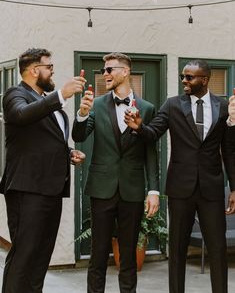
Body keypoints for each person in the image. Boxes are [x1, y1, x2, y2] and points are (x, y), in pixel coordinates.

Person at [124, 59, 235, 293]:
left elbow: (229, 149)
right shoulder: (173, 105)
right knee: (177, 250)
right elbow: (153, 132)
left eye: (189, 77)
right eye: (183, 76)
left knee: (217, 250)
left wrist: (234, 188)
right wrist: (139, 127)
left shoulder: (223, 106)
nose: (184, 80)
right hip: (180, 189)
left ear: (204, 80)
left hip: (211, 189)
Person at [0, 48, 86, 293]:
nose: (53, 71)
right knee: (24, 256)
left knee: (40, 258)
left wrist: (68, 152)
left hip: (52, 189)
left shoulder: (48, 104)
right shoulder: (16, 94)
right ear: (34, 70)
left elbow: (44, 140)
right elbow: (20, 115)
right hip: (27, 189)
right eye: (49, 67)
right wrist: (61, 94)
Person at [72, 52, 159, 293]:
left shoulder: (147, 108)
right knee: (98, 256)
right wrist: (81, 113)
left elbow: (150, 150)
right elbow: (78, 136)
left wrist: (153, 190)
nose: (105, 74)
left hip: (132, 189)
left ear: (125, 71)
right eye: (104, 70)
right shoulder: (97, 104)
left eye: (110, 69)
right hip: (102, 188)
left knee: (129, 256)